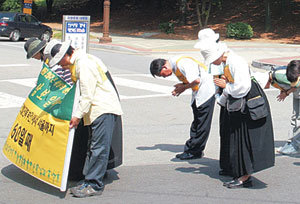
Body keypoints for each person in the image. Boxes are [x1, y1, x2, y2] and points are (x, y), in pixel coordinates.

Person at [48, 41, 123, 198]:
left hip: (102, 108)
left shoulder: (84, 64)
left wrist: (77, 116)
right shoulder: (80, 62)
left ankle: (94, 184)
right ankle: (89, 179)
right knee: (93, 147)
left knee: (98, 148)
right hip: (96, 111)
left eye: (60, 62)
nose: (61, 66)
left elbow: (87, 95)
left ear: (65, 56)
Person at [197, 40, 275, 188]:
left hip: (247, 100)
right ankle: (239, 171)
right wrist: (224, 93)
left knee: (244, 138)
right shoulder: (229, 61)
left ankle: (244, 177)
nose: (213, 63)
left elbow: (242, 87)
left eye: (212, 60)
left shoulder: (236, 62)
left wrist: (225, 87)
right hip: (240, 100)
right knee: (237, 137)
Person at [149, 56, 215, 160]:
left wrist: (183, 88)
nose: (165, 77)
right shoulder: (175, 65)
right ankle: (191, 148)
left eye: (162, 75)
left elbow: (196, 80)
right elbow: (192, 79)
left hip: (206, 92)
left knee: (201, 123)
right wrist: (183, 86)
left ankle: (195, 151)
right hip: (198, 93)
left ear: (165, 67)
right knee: (197, 122)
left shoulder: (182, 63)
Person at [276, 60, 300, 155]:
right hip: (297, 94)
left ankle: (296, 145)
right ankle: (292, 142)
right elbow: (294, 84)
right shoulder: (293, 69)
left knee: (298, 119)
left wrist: (286, 93)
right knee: (295, 117)